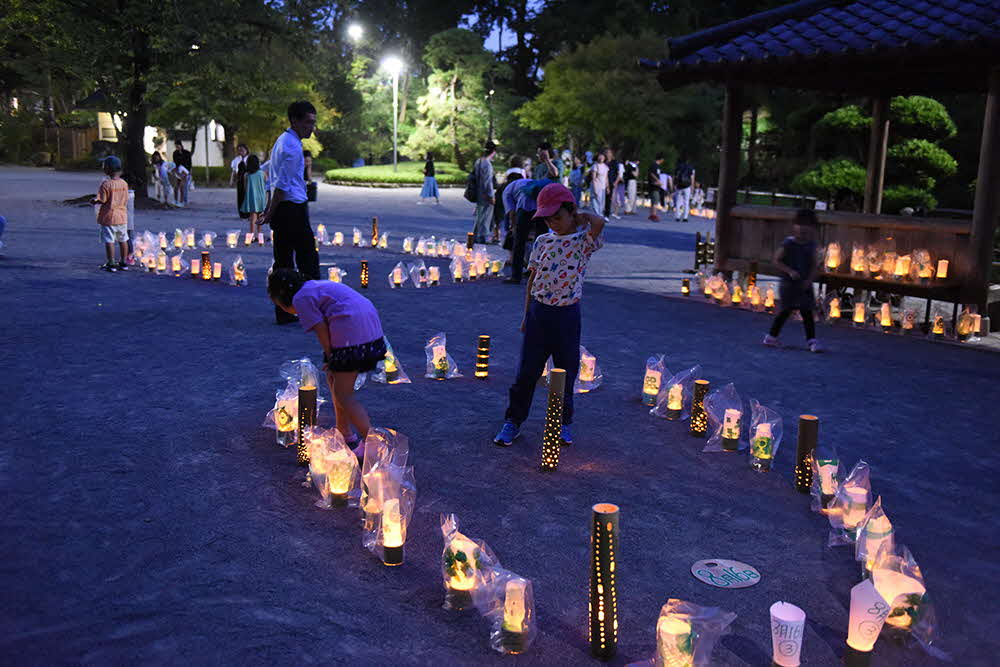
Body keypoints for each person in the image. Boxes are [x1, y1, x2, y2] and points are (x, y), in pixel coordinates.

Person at [493, 183, 606, 447]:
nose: (553, 223)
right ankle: (513, 421)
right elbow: (532, 281)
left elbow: (599, 222)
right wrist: (526, 315)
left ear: (571, 213)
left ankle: (562, 424)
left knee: (565, 373)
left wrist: (581, 218)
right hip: (538, 314)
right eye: (547, 218)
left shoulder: (582, 243)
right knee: (526, 373)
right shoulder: (542, 242)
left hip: (567, 316)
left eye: (558, 217)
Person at [268, 268, 387, 459]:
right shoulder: (312, 288)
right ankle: (344, 433)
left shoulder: (301, 298)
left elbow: (322, 329)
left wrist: (332, 356)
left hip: (352, 334)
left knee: (344, 395)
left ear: (281, 297)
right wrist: (331, 359)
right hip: (366, 328)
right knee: (334, 383)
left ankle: (374, 445)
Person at [260, 100, 321, 324]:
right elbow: (282, 186)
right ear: (294, 120)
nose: (311, 128)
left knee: (283, 261)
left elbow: (271, 175)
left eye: (313, 123)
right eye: (308, 122)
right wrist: (269, 212)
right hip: (292, 208)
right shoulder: (293, 148)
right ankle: (313, 309)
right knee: (308, 261)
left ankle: (285, 311)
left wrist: (270, 210)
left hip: (284, 209)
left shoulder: (282, 140)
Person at [764, 209, 822, 353]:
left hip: (804, 285)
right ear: (794, 226)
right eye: (799, 224)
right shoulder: (788, 243)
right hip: (789, 284)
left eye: (807, 225)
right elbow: (776, 260)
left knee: (807, 312)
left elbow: (815, 265)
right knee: (785, 310)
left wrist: (809, 280)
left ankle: (811, 340)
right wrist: (789, 271)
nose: (803, 228)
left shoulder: (812, 245)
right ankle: (771, 336)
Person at [504, 151, 558, 284]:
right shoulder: (531, 181)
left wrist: (514, 227)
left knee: (519, 242)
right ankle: (539, 274)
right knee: (541, 241)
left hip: (526, 207)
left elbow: (512, 213)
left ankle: (516, 276)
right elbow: (555, 174)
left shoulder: (507, 190)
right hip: (542, 205)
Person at [91, 156, 130, 272]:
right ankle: (124, 262)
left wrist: (94, 201)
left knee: (109, 240)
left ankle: (111, 263)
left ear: (107, 169)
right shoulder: (124, 183)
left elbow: (102, 200)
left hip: (109, 217)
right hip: (122, 216)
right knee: (123, 239)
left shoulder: (106, 184)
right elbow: (126, 198)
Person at [471, 140, 497, 243]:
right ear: (493, 152)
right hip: (485, 194)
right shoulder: (487, 164)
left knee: (480, 215)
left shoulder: (479, 161)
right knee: (486, 216)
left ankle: (476, 236)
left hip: (478, 192)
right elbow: (488, 182)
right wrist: (491, 195)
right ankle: (482, 237)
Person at [241, 154, 267, 238]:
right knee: (260, 216)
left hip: (251, 197)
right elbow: (266, 184)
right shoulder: (262, 173)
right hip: (261, 197)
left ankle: (252, 234)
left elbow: (245, 187)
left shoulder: (246, 175)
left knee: (253, 217)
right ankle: (259, 234)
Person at [230, 144, 250, 220]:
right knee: (240, 197)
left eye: (242, 150)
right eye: (239, 150)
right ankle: (242, 214)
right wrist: (231, 180)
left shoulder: (250, 159)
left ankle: (248, 214)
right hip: (240, 180)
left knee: (247, 197)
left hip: (248, 180)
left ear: (246, 150)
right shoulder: (236, 160)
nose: (241, 152)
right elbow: (234, 171)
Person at [674, 156, 695, 222]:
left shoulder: (678, 167)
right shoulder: (690, 167)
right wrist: (692, 186)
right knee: (686, 202)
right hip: (687, 186)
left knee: (678, 201)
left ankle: (677, 216)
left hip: (679, 186)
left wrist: (674, 184)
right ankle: (685, 217)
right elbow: (692, 178)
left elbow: (675, 176)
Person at [590, 152, 609, 217]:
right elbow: (593, 178)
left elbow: (606, 178)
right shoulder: (595, 166)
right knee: (595, 201)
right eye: (600, 157)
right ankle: (597, 215)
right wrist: (595, 188)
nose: (601, 158)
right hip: (596, 185)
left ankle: (600, 215)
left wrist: (607, 187)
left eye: (603, 157)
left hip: (603, 186)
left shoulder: (606, 167)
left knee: (602, 202)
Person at [647, 154, 663, 221]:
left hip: (654, 185)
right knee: (655, 200)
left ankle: (652, 214)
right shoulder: (654, 166)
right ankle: (654, 215)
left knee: (653, 201)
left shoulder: (656, 166)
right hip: (654, 185)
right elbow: (652, 174)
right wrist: (658, 180)